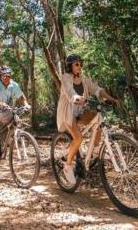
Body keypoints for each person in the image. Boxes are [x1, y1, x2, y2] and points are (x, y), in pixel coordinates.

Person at [57, 54, 118, 185]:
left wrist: (110, 98)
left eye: (80, 64)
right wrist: (78, 98)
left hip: (80, 110)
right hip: (68, 113)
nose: (80, 66)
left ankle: (95, 150)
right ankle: (67, 166)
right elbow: (70, 93)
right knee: (78, 138)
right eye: (76, 64)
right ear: (70, 67)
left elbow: (97, 90)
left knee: (99, 118)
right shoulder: (65, 78)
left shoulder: (84, 80)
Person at [0, 65, 30, 174]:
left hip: (5, 110)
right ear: (0, 75)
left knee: (16, 119)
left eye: (8, 75)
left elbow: (21, 96)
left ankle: (11, 137)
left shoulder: (13, 84)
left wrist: (26, 104)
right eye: (4, 76)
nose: (6, 78)